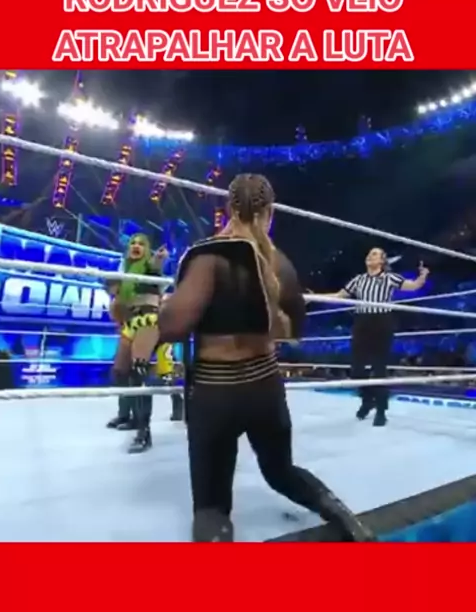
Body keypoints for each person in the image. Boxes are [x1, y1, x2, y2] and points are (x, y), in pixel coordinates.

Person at [158, 173, 375, 542]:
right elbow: (294, 330)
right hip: (265, 388)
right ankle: (348, 521)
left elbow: (173, 327)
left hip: (216, 390)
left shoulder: (209, 257)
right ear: (270, 212)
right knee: (281, 472)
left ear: (229, 208)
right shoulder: (280, 263)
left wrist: (165, 305)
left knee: (211, 505)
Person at [325, 248, 429, 426]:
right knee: (356, 369)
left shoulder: (389, 277)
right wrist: (313, 296)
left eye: (374, 254)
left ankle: (381, 410)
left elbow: (413, 286)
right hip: (362, 322)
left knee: (379, 367)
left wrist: (423, 275)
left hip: (382, 321)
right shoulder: (359, 279)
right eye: (369, 254)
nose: (369, 256)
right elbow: (339, 295)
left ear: (382, 261)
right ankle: (367, 400)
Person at [106, 234, 169, 453]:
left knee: (139, 368)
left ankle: (144, 433)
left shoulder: (150, 268)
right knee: (120, 371)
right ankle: (128, 416)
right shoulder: (125, 273)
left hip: (148, 321)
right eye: (133, 243)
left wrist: (159, 259)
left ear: (147, 249)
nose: (136, 246)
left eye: (141, 244)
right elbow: (117, 303)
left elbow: (156, 268)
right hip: (130, 322)